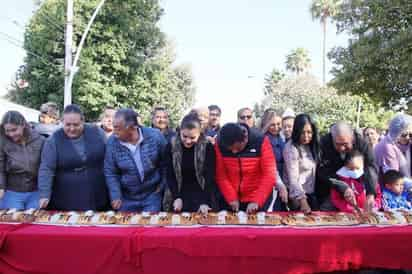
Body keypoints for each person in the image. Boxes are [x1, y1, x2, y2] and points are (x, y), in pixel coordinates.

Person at [38, 104, 109, 211]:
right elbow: (47, 169)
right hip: (65, 198)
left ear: (83, 122)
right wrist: (44, 194)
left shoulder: (98, 133)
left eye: (76, 125)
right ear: (62, 122)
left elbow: (110, 160)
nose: (72, 129)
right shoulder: (53, 140)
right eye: (68, 125)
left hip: (98, 194)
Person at [104, 108, 167, 212]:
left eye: (118, 128)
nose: (114, 132)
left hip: (152, 196)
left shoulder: (155, 136)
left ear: (132, 128)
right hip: (126, 198)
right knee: (126, 227)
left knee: (150, 227)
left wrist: (161, 187)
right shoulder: (112, 142)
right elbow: (110, 172)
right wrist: (115, 195)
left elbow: (166, 164)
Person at [316, 121, 378, 212]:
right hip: (331, 190)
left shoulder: (362, 143)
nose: (341, 148)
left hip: (359, 189)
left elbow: (371, 167)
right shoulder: (323, 143)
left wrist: (371, 193)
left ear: (352, 138)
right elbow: (322, 170)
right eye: (337, 144)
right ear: (332, 138)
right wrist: (343, 186)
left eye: (345, 144)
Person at [215, 123, 276, 213]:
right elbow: (221, 175)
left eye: (237, 148)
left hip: (258, 195)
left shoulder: (260, 140)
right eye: (230, 149)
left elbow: (269, 174)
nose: (234, 152)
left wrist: (257, 201)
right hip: (231, 198)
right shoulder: (220, 143)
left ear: (244, 139)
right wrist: (231, 197)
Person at [165, 113, 217, 214]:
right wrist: (176, 197)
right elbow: (169, 174)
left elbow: (209, 176)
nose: (188, 141)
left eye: (193, 137)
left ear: (200, 133)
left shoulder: (207, 147)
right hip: (178, 192)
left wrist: (204, 201)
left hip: (201, 192)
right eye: (184, 136)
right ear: (180, 131)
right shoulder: (171, 146)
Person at [0, 111, 44, 209]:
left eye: (14, 130)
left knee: (34, 221)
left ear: (23, 124)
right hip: (12, 192)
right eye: (7, 130)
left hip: (36, 192)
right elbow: (0, 168)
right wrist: (1, 187)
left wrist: (45, 192)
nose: (11, 134)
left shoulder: (40, 140)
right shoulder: (2, 141)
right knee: (13, 222)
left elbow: (45, 167)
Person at [283, 114, 319, 213]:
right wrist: (303, 201)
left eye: (309, 132)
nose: (306, 136)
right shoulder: (291, 148)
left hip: (311, 194)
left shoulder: (311, 146)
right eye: (302, 132)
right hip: (298, 199)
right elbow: (293, 180)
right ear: (296, 131)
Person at [260, 109, 288, 210]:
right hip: (270, 181)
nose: (276, 128)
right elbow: (270, 165)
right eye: (272, 125)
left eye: (278, 124)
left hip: (282, 178)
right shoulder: (264, 140)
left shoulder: (282, 138)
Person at [375, 114, 412, 180]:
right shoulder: (387, 147)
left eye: (411, 134)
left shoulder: (405, 146)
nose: (408, 137)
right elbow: (394, 178)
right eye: (404, 134)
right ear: (395, 132)